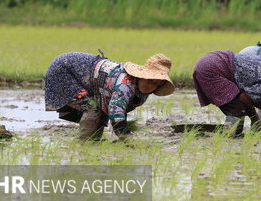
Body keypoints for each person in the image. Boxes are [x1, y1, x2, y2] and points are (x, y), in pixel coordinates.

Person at [45, 51, 174, 140]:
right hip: (64, 71)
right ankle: (84, 145)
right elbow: (116, 112)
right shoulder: (125, 84)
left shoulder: (142, 92)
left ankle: (92, 142)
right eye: (148, 79)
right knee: (92, 107)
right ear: (141, 75)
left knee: (99, 111)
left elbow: (114, 110)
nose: (150, 85)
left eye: (155, 83)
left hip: (84, 77)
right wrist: (127, 138)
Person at [193, 50, 261, 135]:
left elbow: (247, 94)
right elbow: (244, 98)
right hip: (213, 69)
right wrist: (256, 117)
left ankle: (227, 132)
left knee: (238, 110)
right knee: (236, 112)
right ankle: (228, 135)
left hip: (211, 58)